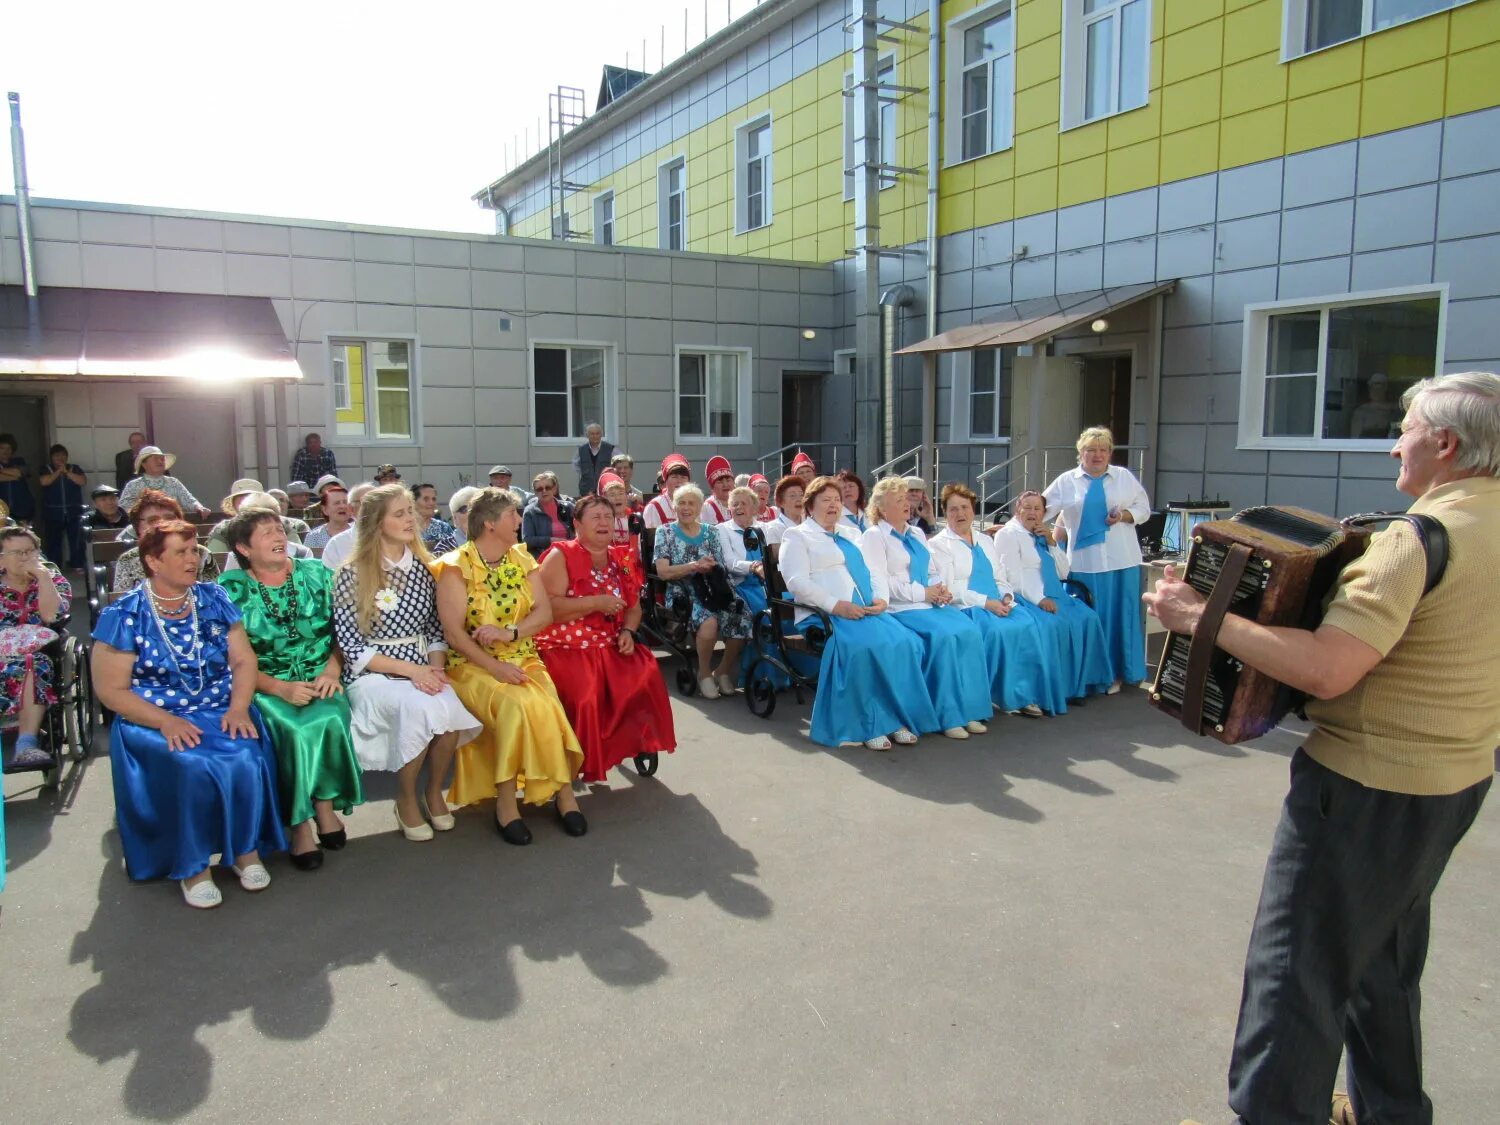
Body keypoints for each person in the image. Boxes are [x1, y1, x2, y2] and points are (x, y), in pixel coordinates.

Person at [1165, 373, 1500, 1125]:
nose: (1394, 441)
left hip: (1363, 788)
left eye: (1406, 427)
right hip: (1458, 779)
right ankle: (1392, 1110)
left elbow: (1326, 666)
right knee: (1385, 958)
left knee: (1294, 974)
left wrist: (1196, 616)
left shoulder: (1415, 540)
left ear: (1444, 443)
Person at [90, 519, 285, 909]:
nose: (193, 559)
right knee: (192, 764)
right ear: (153, 560)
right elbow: (110, 691)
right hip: (153, 717)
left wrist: (239, 708)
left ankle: (245, 852)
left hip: (218, 707)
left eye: (194, 550)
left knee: (245, 754)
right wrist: (166, 721)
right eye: (180, 552)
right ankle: (193, 867)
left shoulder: (212, 598)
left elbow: (244, 661)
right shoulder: (125, 613)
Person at [433, 487, 586, 844]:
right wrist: (495, 666)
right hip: (471, 665)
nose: (520, 521)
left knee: (548, 705)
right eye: (512, 516)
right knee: (516, 709)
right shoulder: (456, 566)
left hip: (522, 656)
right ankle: (506, 803)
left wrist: (510, 632)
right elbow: (454, 635)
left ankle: (564, 794)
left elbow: (543, 613)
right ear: (489, 524)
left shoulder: (522, 559)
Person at [331, 483, 480, 841]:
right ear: (377, 523)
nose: (410, 519)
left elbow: (435, 630)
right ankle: (405, 797)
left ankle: (433, 792)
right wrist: (413, 671)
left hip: (423, 665)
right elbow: (351, 646)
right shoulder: (352, 573)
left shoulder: (426, 570)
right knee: (418, 709)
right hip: (375, 672)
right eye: (399, 514)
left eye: (409, 512)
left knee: (449, 711)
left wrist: (436, 669)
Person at [219, 508, 364, 871]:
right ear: (243, 547)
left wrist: (333, 670)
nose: (278, 538)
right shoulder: (230, 591)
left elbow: (346, 630)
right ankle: (300, 826)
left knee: (329, 715)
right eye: (266, 533)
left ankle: (324, 808)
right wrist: (279, 689)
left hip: (322, 673)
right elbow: (233, 658)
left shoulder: (317, 574)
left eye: (279, 530)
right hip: (265, 684)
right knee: (293, 729)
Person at [778, 476, 940, 750]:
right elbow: (797, 582)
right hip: (825, 614)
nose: (833, 505)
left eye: (837, 500)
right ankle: (868, 724)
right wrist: (835, 605)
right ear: (810, 505)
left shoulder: (851, 533)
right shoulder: (797, 536)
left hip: (864, 609)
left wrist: (882, 600)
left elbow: (875, 573)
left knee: (904, 642)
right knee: (865, 647)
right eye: (826, 500)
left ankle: (895, 718)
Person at [536, 493, 675, 782]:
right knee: (587, 695)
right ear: (577, 524)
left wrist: (628, 631)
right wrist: (595, 603)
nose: (604, 522)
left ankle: (634, 742)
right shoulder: (561, 555)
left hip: (609, 641)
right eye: (596, 517)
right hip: (565, 645)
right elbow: (547, 609)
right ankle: (579, 759)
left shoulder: (621, 559)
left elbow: (634, 608)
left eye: (608, 517)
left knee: (645, 672)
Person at [861, 476, 993, 739]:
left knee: (968, 630)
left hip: (928, 603)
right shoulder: (874, 536)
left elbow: (931, 570)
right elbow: (882, 582)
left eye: (906, 498)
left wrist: (940, 588)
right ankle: (948, 715)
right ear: (883, 510)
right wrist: (924, 592)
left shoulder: (917, 533)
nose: (906, 504)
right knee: (944, 638)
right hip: (902, 608)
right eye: (898, 500)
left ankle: (969, 710)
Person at [930, 484, 1063, 717]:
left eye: (965, 507)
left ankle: (1023, 695)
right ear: (944, 512)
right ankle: (992, 695)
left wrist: (1007, 596)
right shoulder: (939, 545)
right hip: (969, 606)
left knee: (1026, 624)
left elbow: (999, 576)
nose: (960, 514)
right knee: (995, 632)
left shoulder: (985, 540)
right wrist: (987, 603)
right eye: (953, 509)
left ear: (973, 510)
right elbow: (950, 587)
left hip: (997, 602)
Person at [1043, 426, 1151, 693]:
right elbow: (1040, 507)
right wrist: (1014, 527)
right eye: (1091, 450)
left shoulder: (1123, 477)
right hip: (1084, 563)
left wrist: (1124, 516)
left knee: (1120, 618)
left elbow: (1144, 509)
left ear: (1110, 453)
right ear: (1081, 453)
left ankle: (1120, 672)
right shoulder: (1067, 481)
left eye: (1103, 450)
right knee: (1092, 618)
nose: (1097, 455)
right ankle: (1090, 675)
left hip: (1122, 560)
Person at [993, 491, 1113, 701]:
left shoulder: (1042, 534)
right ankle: (1055, 690)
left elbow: (1063, 572)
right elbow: (1011, 576)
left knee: (1088, 618)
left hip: (1055, 591)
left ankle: (1080, 684)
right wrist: (1039, 599)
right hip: (1026, 596)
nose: (1032, 512)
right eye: (1027, 507)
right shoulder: (1008, 534)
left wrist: (1051, 542)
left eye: (1037, 508)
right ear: (1017, 510)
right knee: (1051, 625)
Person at [653, 483, 751, 699]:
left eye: (692, 504)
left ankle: (723, 670)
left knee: (742, 616)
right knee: (709, 620)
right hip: (683, 592)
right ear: (674, 507)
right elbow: (662, 572)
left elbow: (721, 565)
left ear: (699, 508)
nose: (686, 508)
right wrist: (693, 566)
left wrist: (711, 566)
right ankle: (704, 673)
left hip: (713, 587)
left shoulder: (711, 532)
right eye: (682, 503)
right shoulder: (665, 532)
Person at [1, 527, 70, 768]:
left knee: (33, 664)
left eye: (29, 551)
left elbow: (52, 615)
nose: (25, 558)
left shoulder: (52, 577)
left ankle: (26, 745)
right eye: (17, 553)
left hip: (38, 654)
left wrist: (42, 578)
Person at [113, 491, 221, 593]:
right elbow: (123, 603)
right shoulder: (128, 560)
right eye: (153, 520)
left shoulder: (202, 554)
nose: (162, 525)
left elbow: (214, 596)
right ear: (138, 528)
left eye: (170, 518)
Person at [118, 446, 212, 519]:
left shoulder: (173, 482)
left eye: (162, 459)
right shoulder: (133, 485)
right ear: (144, 464)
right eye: (155, 459)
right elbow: (123, 507)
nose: (160, 461)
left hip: (173, 526)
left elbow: (188, 500)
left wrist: (199, 507)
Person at [40, 443, 88, 569]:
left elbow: (82, 481)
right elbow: (44, 482)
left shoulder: (74, 468)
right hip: (53, 512)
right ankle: (55, 568)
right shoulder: (46, 469)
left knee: (77, 540)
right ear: (51, 458)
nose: (60, 458)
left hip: (74, 511)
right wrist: (58, 472)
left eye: (63, 455)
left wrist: (66, 472)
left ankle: (77, 565)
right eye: (56, 456)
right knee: (54, 542)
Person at [320, 481, 376, 571]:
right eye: (367, 502)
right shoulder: (336, 545)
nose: (375, 507)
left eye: (379, 502)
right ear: (351, 509)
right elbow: (328, 582)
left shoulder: (395, 538)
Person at [521, 471, 574, 559]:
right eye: (539, 489)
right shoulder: (530, 511)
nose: (544, 491)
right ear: (535, 492)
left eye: (548, 487)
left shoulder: (568, 506)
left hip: (570, 552)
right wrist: (551, 540)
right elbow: (527, 540)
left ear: (554, 489)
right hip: (544, 557)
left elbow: (582, 527)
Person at [643, 453, 691, 529]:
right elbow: (650, 538)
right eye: (674, 477)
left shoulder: (696, 505)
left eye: (683, 477)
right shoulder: (654, 507)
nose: (679, 481)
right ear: (665, 481)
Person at [1348, 371, 1401, 439]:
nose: (1375, 391)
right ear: (1369, 389)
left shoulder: (1395, 410)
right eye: (1373, 388)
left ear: (1385, 389)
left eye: (1379, 388)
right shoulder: (1361, 411)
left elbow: (1397, 432)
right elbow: (1354, 438)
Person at [0, 433, 36, 526]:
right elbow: (16, 475)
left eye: (9, 448)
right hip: (2, 512)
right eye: (2, 448)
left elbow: (20, 472)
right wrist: (14, 477)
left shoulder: (19, 461)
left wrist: (2, 470)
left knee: (22, 537)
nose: (6, 451)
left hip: (22, 510)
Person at [596, 471, 637, 551]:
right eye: (612, 495)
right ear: (604, 499)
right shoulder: (599, 521)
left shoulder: (633, 518)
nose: (617, 498)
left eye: (621, 493)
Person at [413, 483, 458, 554]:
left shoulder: (444, 527)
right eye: (426, 499)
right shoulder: (406, 527)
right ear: (413, 502)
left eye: (434, 499)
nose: (431, 503)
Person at [304, 483, 352, 549]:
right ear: (325, 509)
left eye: (345, 502)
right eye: (337, 503)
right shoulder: (314, 537)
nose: (342, 506)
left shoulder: (360, 533)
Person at [760, 475, 805, 546]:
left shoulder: (810, 525)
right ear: (781, 502)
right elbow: (775, 556)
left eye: (801, 495)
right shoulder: (774, 528)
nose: (799, 499)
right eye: (792, 495)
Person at [572, 422, 614, 497]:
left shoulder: (610, 449)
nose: (595, 436)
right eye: (592, 434)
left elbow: (617, 465)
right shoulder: (581, 450)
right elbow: (575, 466)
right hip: (586, 490)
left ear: (601, 434)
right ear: (587, 435)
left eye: (597, 433)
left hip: (605, 489)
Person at [703, 456, 734, 524]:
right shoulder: (707, 508)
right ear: (712, 488)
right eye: (719, 482)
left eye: (728, 480)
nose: (725, 485)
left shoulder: (740, 504)